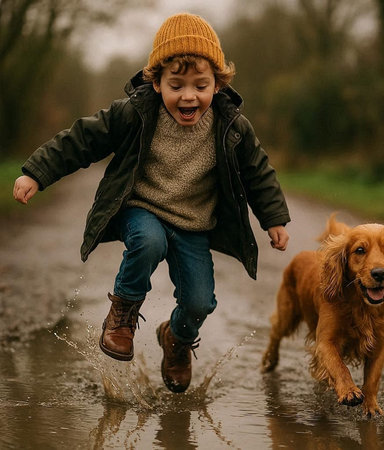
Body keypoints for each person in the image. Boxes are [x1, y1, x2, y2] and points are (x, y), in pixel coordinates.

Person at [13, 13, 291, 393]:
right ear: (157, 83)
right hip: (141, 208)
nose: (188, 96)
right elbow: (82, 139)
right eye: (176, 85)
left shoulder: (232, 126)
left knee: (199, 302)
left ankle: (176, 339)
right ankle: (122, 314)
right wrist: (36, 173)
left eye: (200, 85)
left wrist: (274, 218)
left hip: (194, 224)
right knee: (149, 241)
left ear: (218, 85)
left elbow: (258, 172)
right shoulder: (136, 112)